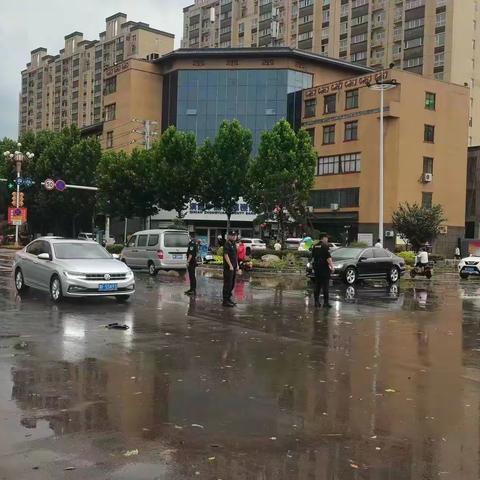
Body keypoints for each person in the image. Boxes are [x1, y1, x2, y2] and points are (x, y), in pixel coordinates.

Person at [311, 234, 334, 308]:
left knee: (317, 285)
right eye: (326, 238)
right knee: (325, 286)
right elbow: (328, 258)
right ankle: (326, 303)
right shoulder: (325, 246)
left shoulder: (315, 246)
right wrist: (332, 267)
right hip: (324, 268)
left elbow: (313, 257)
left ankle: (316, 302)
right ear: (323, 238)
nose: (327, 239)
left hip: (317, 268)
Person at [223, 231, 239, 307]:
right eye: (232, 235)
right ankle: (225, 301)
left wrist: (237, 265)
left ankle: (229, 299)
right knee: (227, 284)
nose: (234, 237)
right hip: (229, 268)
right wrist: (230, 265)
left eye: (235, 235)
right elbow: (226, 255)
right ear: (229, 236)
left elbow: (235, 256)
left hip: (234, 266)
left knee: (232, 284)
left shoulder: (234, 244)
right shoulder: (227, 244)